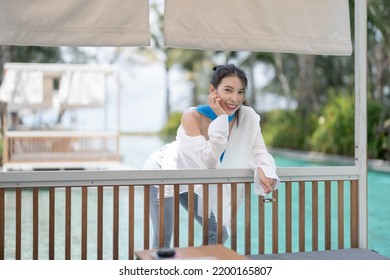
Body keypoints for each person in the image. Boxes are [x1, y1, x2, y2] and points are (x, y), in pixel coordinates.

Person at [143, 63, 279, 248]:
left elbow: (258, 151)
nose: (235, 98)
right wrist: (221, 117)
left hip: (197, 177)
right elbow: (208, 160)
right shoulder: (192, 117)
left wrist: (264, 168)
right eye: (228, 90)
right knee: (164, 237)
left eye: (241, 92)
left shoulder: (247, 117)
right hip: (166, 169)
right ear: (213, 90)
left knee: (219, 232)